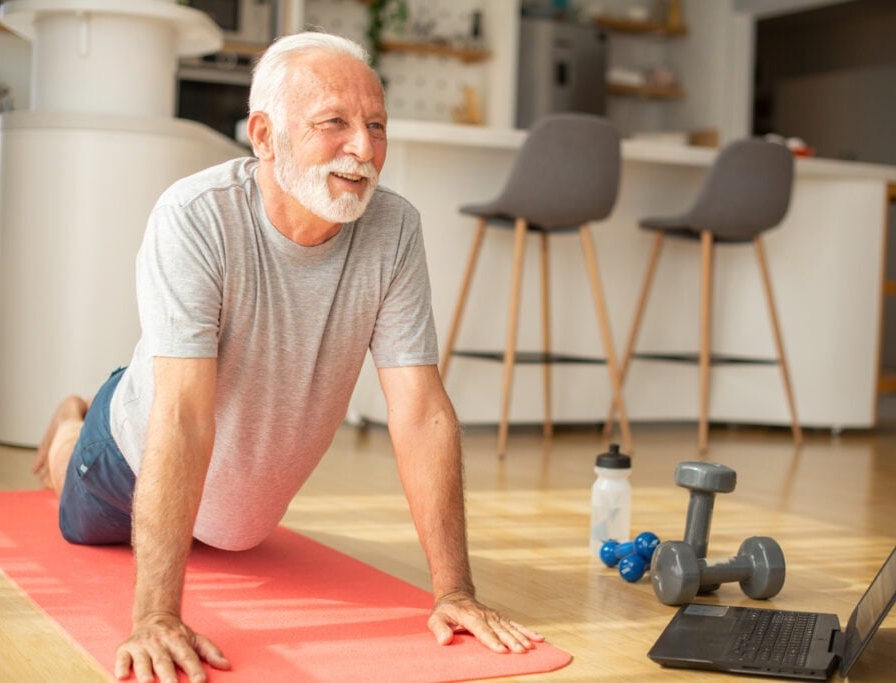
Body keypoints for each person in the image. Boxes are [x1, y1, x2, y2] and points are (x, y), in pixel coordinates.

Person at [32, 31, 544, 683]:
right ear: (265, 137)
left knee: (228, 533)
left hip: (236, 509)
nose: (363, 148)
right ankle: (73, 422)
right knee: (75, 507)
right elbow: (184, 416)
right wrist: (156, 614)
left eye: (376, 125)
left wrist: (456, 590)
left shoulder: (395, 230)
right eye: (335, 123)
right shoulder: (195, 216)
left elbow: (420, 410)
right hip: (132, 455)